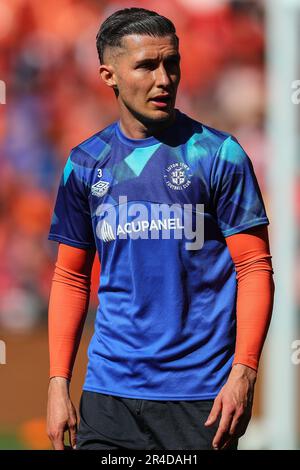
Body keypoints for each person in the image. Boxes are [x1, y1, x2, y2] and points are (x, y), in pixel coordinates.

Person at [46, 7, 275, 451]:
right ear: (108, 75)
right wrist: (58, 383)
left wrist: (244, 372)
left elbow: (254, 267)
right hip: (109, 396)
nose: (164, 78)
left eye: (172, 62)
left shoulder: (219, 155)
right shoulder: (84, 164)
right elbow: (70, 276)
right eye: (147, 66)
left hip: (201, 398)